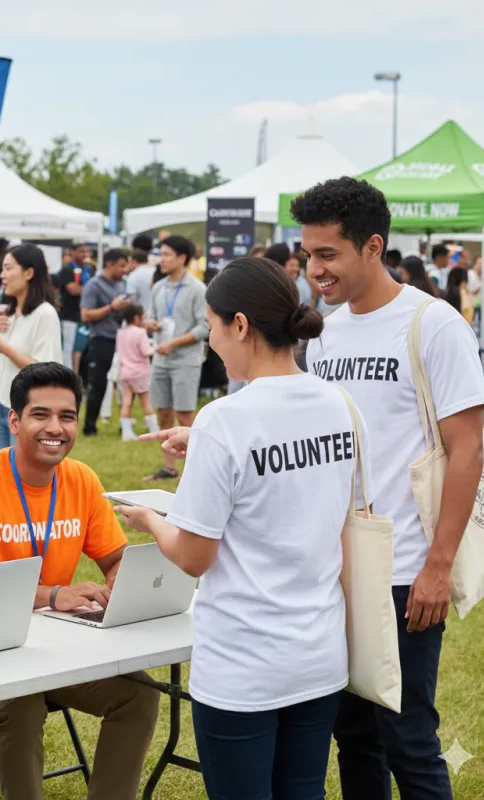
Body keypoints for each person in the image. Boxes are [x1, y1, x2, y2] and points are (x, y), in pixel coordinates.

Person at [123, 257, 368, 800]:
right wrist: (206, 448)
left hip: (243, 663)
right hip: (319, 653)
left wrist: (150, 520)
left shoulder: (225, 420)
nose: (211, 342)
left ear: (239, 325)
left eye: (211, 327)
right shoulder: (338, 403)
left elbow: (193, 557)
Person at [291, 176, 484, 800]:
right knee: (353, 736)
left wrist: (438, 564)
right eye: (308, 254)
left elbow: (467, 450)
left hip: (406, 570)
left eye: (328, 254)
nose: (314, 269)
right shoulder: (325, 331)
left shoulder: (433, 324)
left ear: (372, 246)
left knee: (408, 738)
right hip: (338, 568)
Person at [0, 362, 160, 800]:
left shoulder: (81, 480)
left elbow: (115, 560)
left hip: (51, 651)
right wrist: (53, 595)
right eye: (40, 415)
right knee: (22, 699)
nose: (55, 428)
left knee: (139, 694)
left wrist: (120, 588)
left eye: (67, 417)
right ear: (14, 420)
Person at [0, 244, 62, 451]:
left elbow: (45, 369)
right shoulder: (7, 314)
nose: (2, 275)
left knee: (23, 477)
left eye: (8, 268)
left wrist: (4, 348)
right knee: (3, 477)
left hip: (26, 411)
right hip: (0, 406)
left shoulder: (45, 314)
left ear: (29, 273)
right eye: (2, 269)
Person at [144, 235, 208, 481]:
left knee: (185, 414)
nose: (162, 259)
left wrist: (174, 342)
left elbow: (204, 327)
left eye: (167, 254)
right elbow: (151, 317)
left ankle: (196, 468)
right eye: (161, 254)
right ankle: (169, 467)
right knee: (164, 413)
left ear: (183, 258)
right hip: (161, 359)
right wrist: (151, 325)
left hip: (185, 360)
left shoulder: (197, 289)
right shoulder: (159, 287)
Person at [80, 248, 129, 436]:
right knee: (98, 383)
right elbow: (85, 315)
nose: (125, 270)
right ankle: (89, 427)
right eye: (121, 266)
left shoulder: (122, 284)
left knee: (128, 382)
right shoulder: (94, 285)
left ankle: (124, 425)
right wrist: (111, 307)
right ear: (109, 265)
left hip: (123, 338)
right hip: (101, 339)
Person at [116, 303, 157, 441]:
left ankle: (126, 433)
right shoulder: (140, 333)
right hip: (140, 372)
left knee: (126, 403)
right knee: (146, 402)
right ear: (136, 317)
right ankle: (154, 430)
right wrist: (155, 347)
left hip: (125, 372)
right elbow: (146, 351)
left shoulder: (120, 332)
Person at [56, 242, 92, 370]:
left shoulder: (89, 270)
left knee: (79, 348)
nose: (85, 254)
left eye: (87, 251)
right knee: (68, 347)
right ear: (73, 252)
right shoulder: (67, 269)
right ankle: (67, 373)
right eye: (81, 251)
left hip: (84, 316)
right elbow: (73, 290)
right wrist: (89, 290)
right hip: (69, 315)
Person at [126, 244, 157, 313]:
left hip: (141, 316)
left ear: (133, 261)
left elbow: (132, 300)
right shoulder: (156, 272)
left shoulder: (133, 276)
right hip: (157, 314)